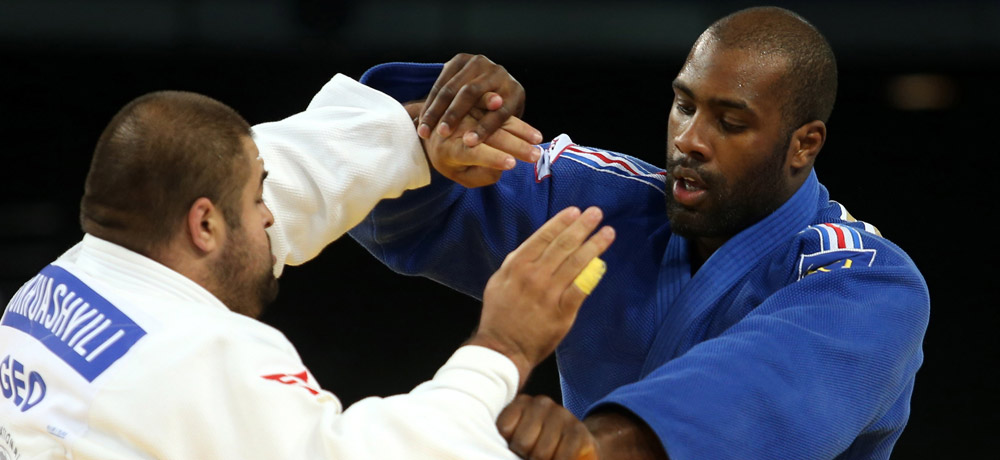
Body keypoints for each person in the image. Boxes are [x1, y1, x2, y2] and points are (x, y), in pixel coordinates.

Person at [347, 6, 931, 459]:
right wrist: (438, 131)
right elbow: (397, 209)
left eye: (730, 122)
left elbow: (758, 392)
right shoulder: (609, 207)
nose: (689, 140)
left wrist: (593, 445)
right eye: (683, 105)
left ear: (803, 144)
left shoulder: (871, 283)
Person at [0, 67, 615, 458]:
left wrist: (420, 132)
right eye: (257, 198)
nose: (272, 214)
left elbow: (285, 165)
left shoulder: (58, 289)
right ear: (204, 223)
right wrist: (503, 345)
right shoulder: (205, 355)